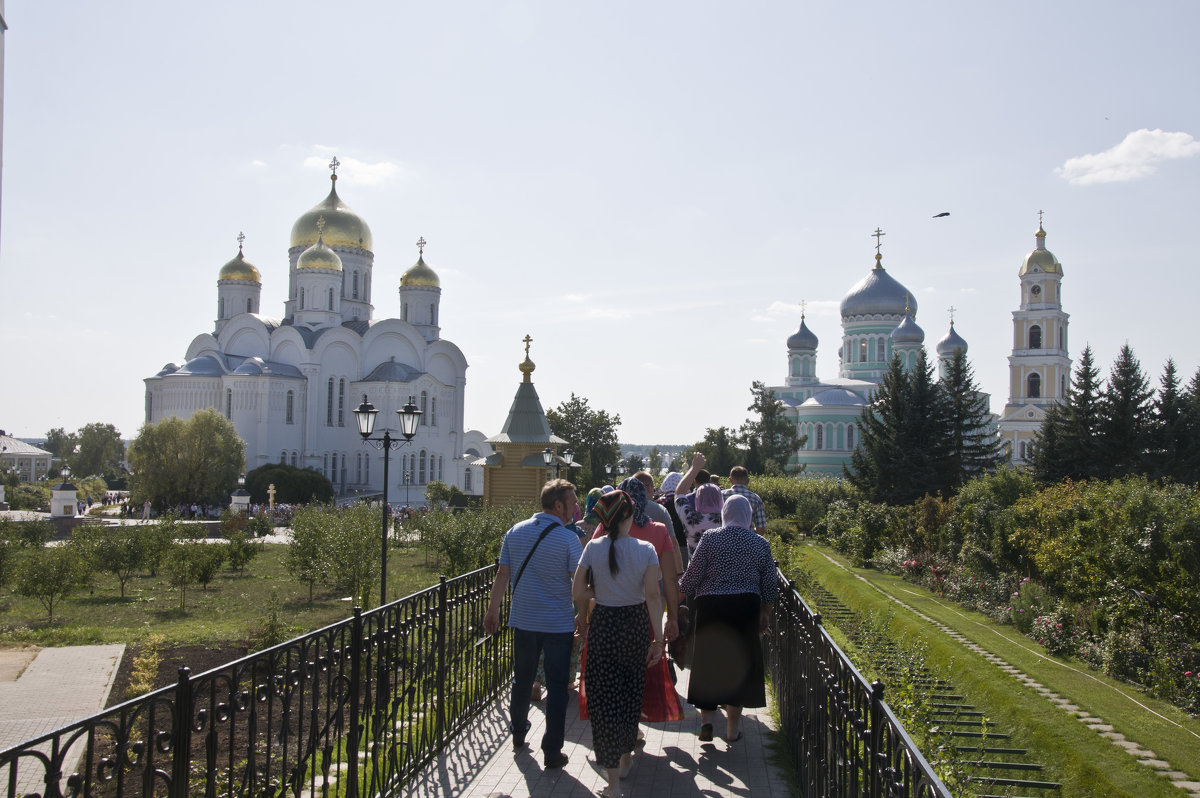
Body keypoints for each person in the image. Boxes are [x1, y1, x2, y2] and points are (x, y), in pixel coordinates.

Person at [483, 479, 583, 769]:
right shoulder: (567, 539)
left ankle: (517, 732)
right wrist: (583, 615)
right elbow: (578, 584)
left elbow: (502, 574)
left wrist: (493, 611)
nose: (576, 506)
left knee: (522, 679)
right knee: (557, 686)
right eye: (573, 501)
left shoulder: (515, 532)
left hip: (524, 621)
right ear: (558, 505)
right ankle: (552, 751)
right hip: (558, 625)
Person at [572, 490, 664, 798]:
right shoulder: (646, 549)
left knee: (604, 702)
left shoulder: (593, 548)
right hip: (635, 627)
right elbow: (653, 596)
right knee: (629, 694)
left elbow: (577, 591)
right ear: (627, 516)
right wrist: (658, 639)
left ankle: (612, 781)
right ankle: (626, 755)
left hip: (604, 628)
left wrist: (599, 595)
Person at [678, 495, 778, 743]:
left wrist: (676, 600)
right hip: (745, 607)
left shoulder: (711, 539)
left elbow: (691, 578)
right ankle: (733, 729)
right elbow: (770, 587)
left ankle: (707, 723)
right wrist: (764, 613)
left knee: (708, 661)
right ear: (748, 515)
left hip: (712, 607)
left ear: (725, 513)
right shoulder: (760, 544)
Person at [723, 466, 767, 535]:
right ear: (747, 481)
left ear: (730, 480)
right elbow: (761, 530)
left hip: (723, 540)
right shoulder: (755, 498)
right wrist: (751, 530)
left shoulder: (721, 495)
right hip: (748, 541)